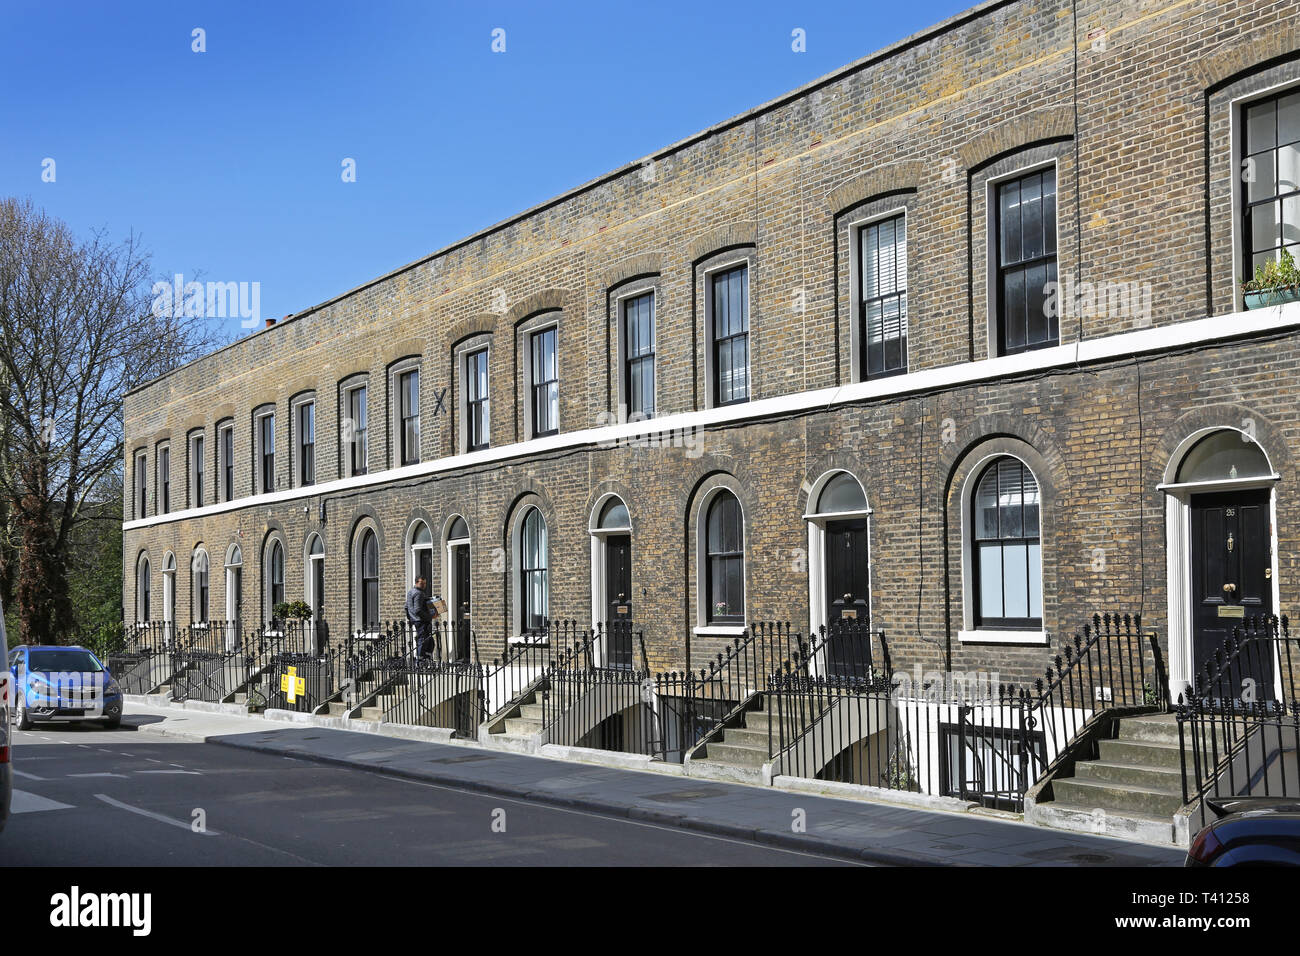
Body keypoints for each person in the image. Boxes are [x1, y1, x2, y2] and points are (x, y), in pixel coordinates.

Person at [405, 576, 436, 658]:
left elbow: (406, 607)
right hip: (421, 621)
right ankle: (420, 662)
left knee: (428, 642)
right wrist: (429, 617)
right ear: (416, 582)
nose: (424, 585)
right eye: (421, 583)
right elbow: (418, 610)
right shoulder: (419, 593)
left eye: (425, 583)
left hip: (416, 620)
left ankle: (425, 660)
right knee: (423, 641)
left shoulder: (410, 592)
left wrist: (411, 618)